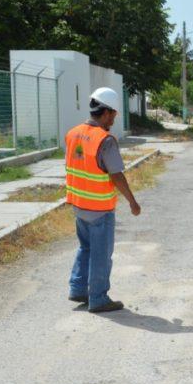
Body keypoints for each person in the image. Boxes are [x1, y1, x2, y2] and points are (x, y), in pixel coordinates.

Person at [66, 87, 141, 313]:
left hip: (78, 204)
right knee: (101, 253)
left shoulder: (72, 133)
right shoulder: (105, 140)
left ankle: (78, 289)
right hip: (99, 207)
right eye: (114, 115)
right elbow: (116, 174)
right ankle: (98, 298)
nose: (114, 119)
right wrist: (132, 202)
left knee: (85, 247)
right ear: (106, 112)